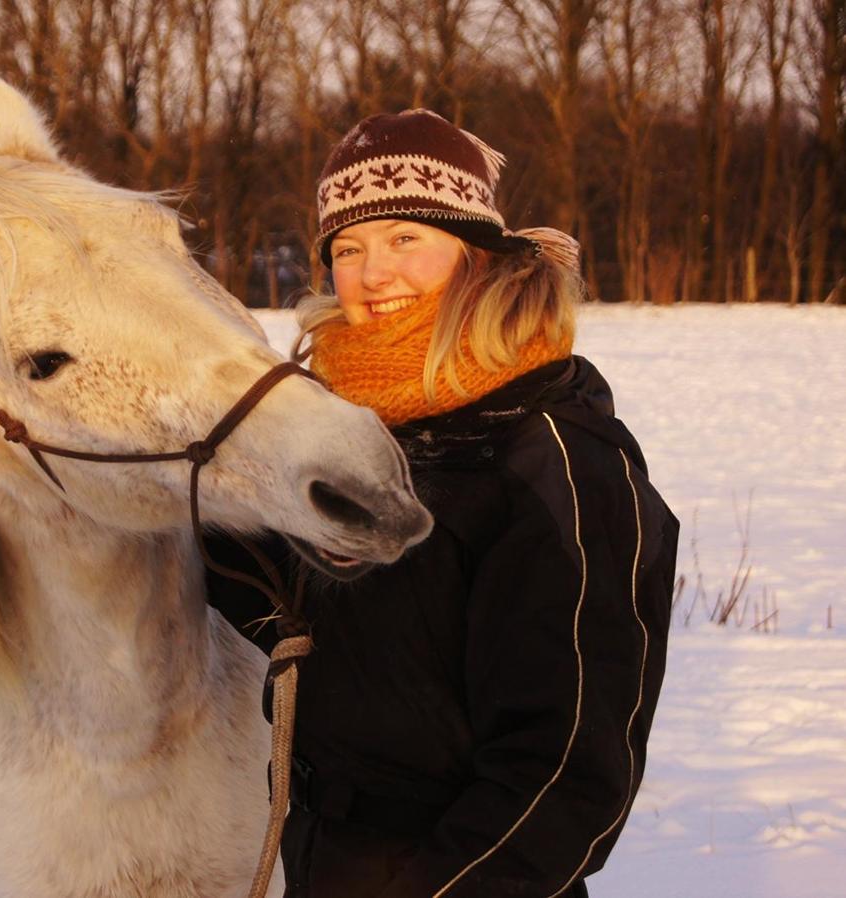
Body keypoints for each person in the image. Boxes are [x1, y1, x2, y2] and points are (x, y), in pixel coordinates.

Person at [205, 109, 678, 898]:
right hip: (322, 860)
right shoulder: (348, 439)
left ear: (476, 252)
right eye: (347, 249)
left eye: (404, 239)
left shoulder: (555, 459)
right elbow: (278, 601)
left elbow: (566, 773)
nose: (373, 274)